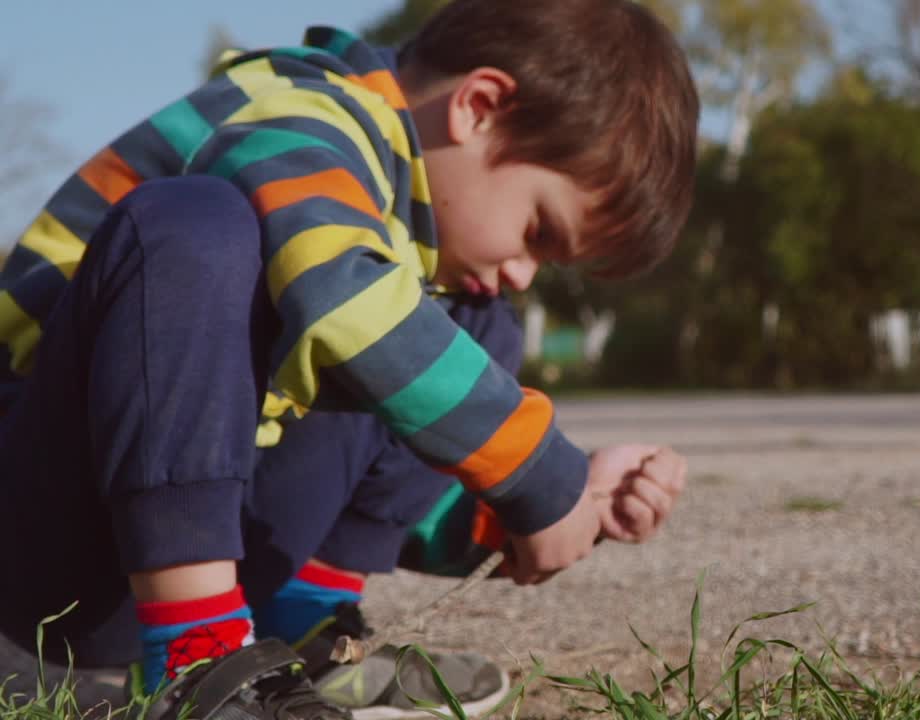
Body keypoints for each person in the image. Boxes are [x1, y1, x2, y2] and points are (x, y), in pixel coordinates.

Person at [0, 0, 698, 717]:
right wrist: (536, 473)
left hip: (173, 548)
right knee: (206, 229)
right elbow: (339, 294)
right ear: (479, 106)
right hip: (42, 534)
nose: (524, 271)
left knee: (461, 318)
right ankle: (199, 661)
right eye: (537, 230)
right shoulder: (302, 113)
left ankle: (304, 636)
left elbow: (371, 467)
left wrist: (536, 513)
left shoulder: (408, 227)